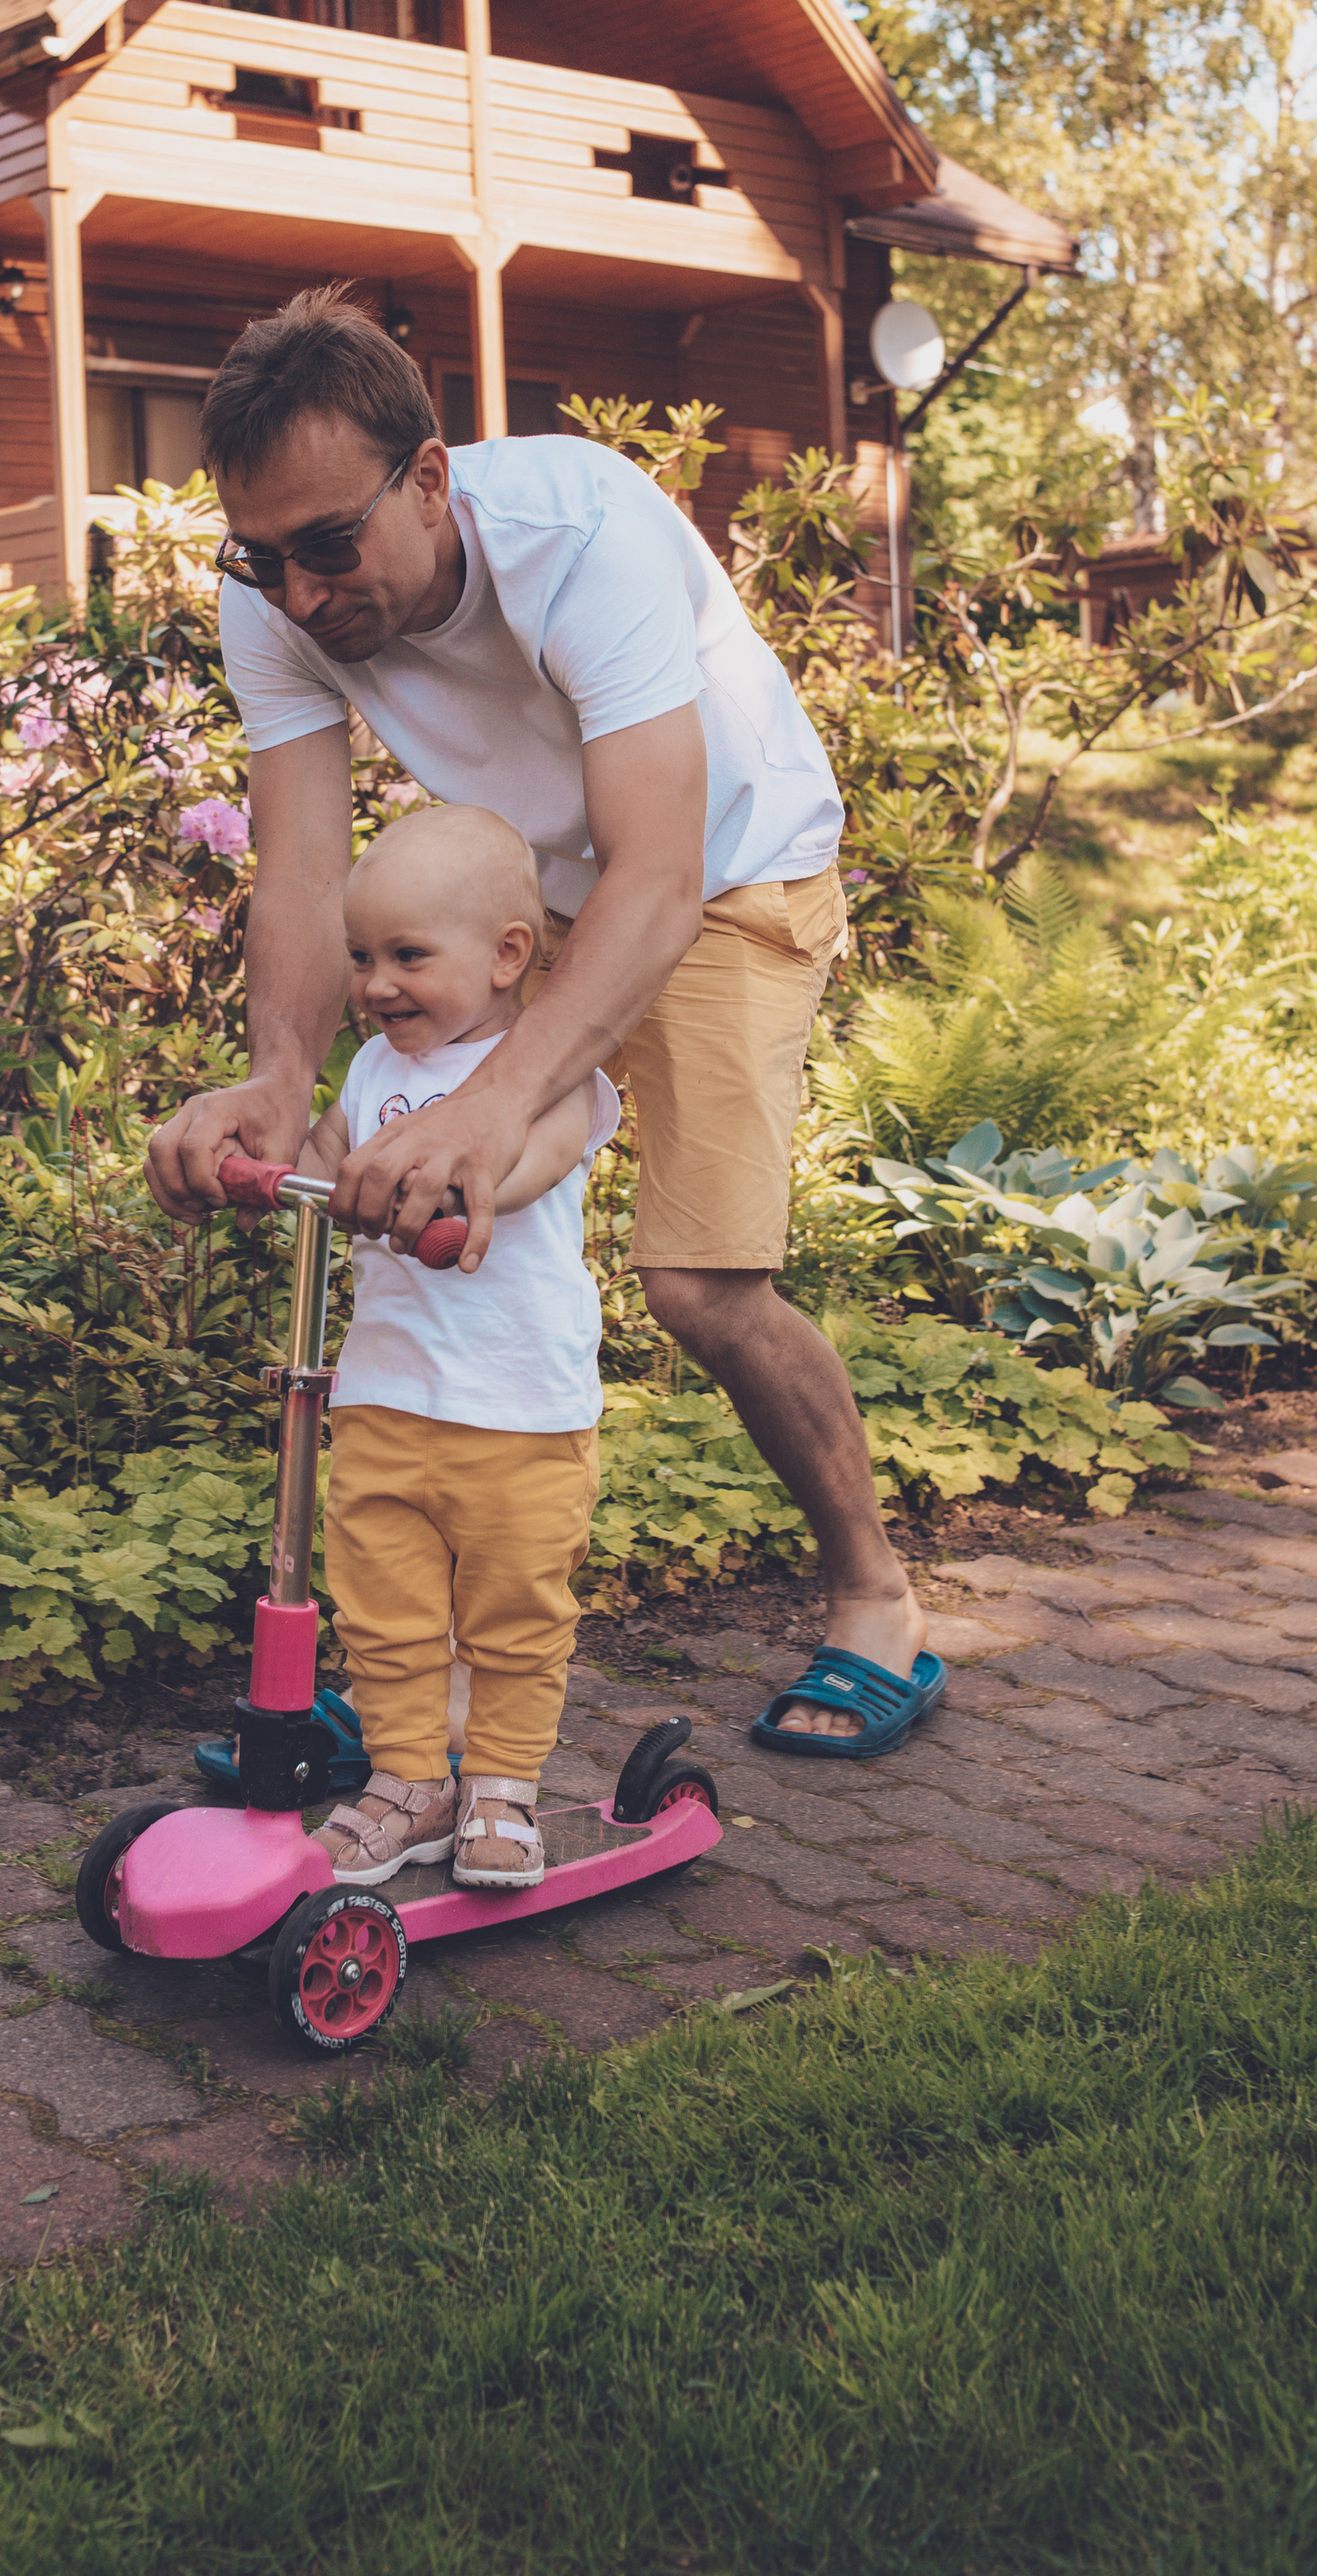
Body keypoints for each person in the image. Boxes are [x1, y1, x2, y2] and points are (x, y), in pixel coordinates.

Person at [147, 287, 939, 1759]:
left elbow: (658, 873)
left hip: (722, 872)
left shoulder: (582, 534)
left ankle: (875, 1596)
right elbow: (305, 867)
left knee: (701, 1286)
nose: (303, 595)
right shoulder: (272, 603)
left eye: (332, 546)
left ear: (430, 478)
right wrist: (273, 1082)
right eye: (263, 557)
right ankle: (413, 1672)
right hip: (522, 893)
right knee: (408, 1233)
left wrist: (498, 1103)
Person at [295, 801, 618, 1884]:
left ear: (506, 956)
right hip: (386, 1396)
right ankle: (408, 1781)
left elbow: (524, 1173)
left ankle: (502, 1795)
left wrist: (451, 1196)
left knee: (514, 1616)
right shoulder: (371, 1071)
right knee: (384, 1611)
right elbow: (330, 1155)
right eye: (361, 957)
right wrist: (281, 1156)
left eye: (407, 956)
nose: (377, 984)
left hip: (518, 1409)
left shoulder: (553, 1078)